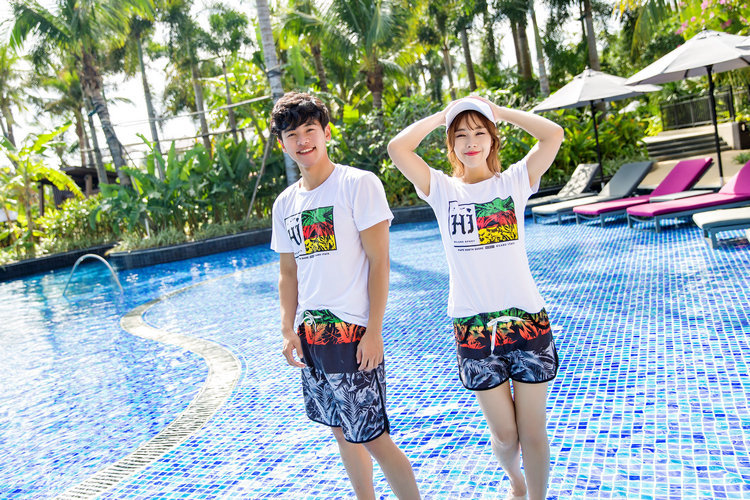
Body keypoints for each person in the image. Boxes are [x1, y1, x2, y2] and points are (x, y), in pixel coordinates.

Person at [387, 96, 564, 500]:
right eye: (461, 135)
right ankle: (516, 481)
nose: (471, 142)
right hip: (474, 328)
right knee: (505, 435)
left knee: (533, 431)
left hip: (526, 321)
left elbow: (553, 134)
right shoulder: (441, 190)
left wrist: (498, 112)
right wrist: (442, 116)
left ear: (492, 139)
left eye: (480, 132)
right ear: (451, 144)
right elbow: (398, 149)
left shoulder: (514, 182)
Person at [269, 92, 420, 500]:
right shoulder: (284, 203)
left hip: (352, 333)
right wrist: (287, 329)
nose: (303, 140)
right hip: (312, 337)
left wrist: (374, 330)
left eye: (310, 130)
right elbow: (288, 273)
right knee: (342, 433)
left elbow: (379, 262)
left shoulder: (358, 184)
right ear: (282, 143)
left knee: (374, 437)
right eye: (292, 134)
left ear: (326, 132)